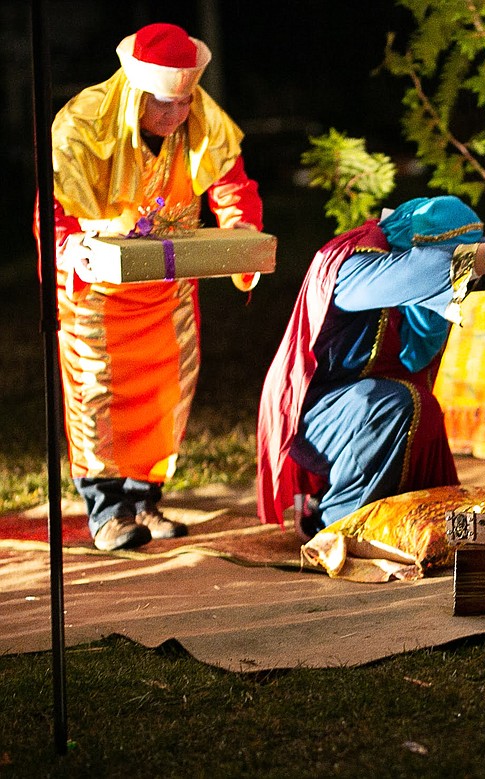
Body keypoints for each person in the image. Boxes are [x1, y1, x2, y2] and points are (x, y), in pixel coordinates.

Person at [41, 23, 264, 551]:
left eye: (184, 102)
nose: (177, 116)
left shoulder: (202, 118)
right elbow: (55, 210)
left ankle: (145, 500)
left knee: (168, 394)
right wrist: (74, 248)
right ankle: (107, 510)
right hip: (99, 296)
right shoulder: (81, 124)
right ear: (138, 94)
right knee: (99, 397)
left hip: (169, 290)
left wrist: (240, 238)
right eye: (164, 105)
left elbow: (234, 187)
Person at [256, 195, 485, 537]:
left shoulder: (418, 251)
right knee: (395, 405)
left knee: (416, 409)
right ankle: (333, 523)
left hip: (367, 409)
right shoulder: (352, 266)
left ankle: (370, 511)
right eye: (452, 251)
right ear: (418, 247)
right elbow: (426, 271)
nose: (466, 278)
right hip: (314, 420)